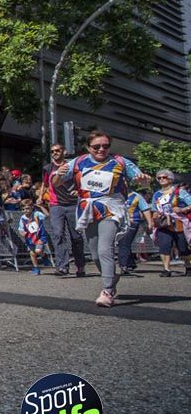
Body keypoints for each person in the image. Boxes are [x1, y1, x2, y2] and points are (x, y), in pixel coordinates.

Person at [53, 130, 150, 307]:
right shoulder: (78, 162)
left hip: (111, 208)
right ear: (88, 147)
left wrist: (142, 179)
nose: (101, 149)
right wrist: (58, 174)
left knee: (105, 248)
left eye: (105, 146)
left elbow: (139, 179)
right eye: (96, 146)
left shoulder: (120, 161)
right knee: (95, 254)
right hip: (88, 210)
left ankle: (107, 291)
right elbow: (56, 183)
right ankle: (111, 277)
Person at [43, 143, 86, 278]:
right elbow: (45, 184)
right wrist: (41, 197)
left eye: (57, 150)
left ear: (64, 152)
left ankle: (80, 265)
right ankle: (62, 266)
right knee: (58, 234)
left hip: (73, 204)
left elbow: (82, 181)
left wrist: (79, 191)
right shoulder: (48, 168)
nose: (54, 153)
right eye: (52, 151)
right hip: (56, 205)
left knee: (76, 236)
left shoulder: (73, 166)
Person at [150, 169, 191, 277]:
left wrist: (182, 209)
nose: (161, 179)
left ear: (170, 179)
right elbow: (154, 209)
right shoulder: (156, 194)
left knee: (183, 248)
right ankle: (166, 269)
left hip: (178, 223)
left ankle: (188, 265)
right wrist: (155, 215)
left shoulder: (179, 192)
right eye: (159, 178)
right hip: (163, 223)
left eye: (164, 177)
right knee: (164, 245)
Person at [118, 189, 153, 275]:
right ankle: (130, 263)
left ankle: (124, 265)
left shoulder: (137, 196)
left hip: (132, 222)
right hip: (119, 223)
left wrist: (150, 223)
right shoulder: (116, 194)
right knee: (124, 243)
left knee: (124, 242)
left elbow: (145, 209)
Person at [17, 198, 49, 275]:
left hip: (40, 237)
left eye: (27, 208)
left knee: (38, 251)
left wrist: (41, 207)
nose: (26, 211)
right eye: (23, 209)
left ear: (32, 207)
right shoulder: (22, 218)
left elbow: (47, 215)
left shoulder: (36, 214)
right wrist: (22, 233)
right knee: (32, 253)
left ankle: (44, 256)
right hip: (30, 238)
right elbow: (20, 229)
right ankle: (36, 268)